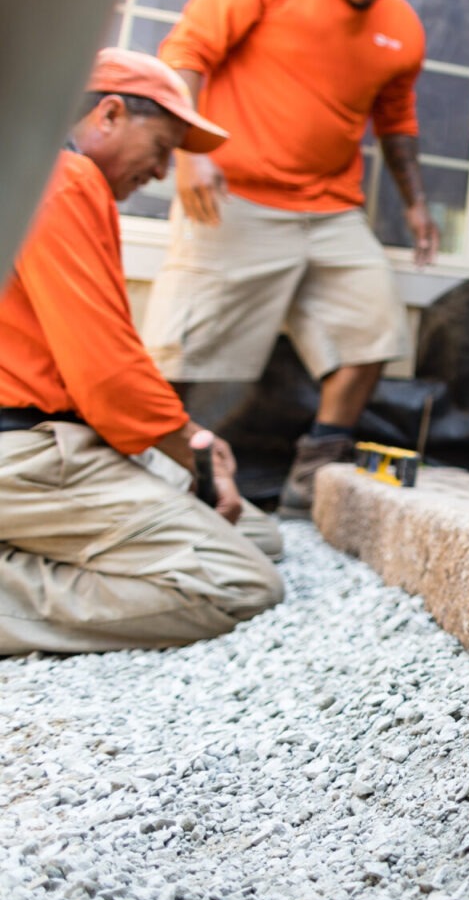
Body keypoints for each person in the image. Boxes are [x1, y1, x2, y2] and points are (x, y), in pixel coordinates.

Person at [142, 0, 440, 518]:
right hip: (236, 198)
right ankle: (156, 475)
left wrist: (416, 204)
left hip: (331, 206)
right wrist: (191, 153)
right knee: (185, 349)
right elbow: (186, 53)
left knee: (373, 329)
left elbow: (397, 121)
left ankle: (312, 483)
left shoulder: (402, 28)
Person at [0, 49, 283, 655]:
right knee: (237, 581)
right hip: (26, 450)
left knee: (259, 535)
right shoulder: (59, 177)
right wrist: (192, 445)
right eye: (160, 148)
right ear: (108, 114)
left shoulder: (27, 172)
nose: (161, 174)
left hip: (44, 438)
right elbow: (107, 379)